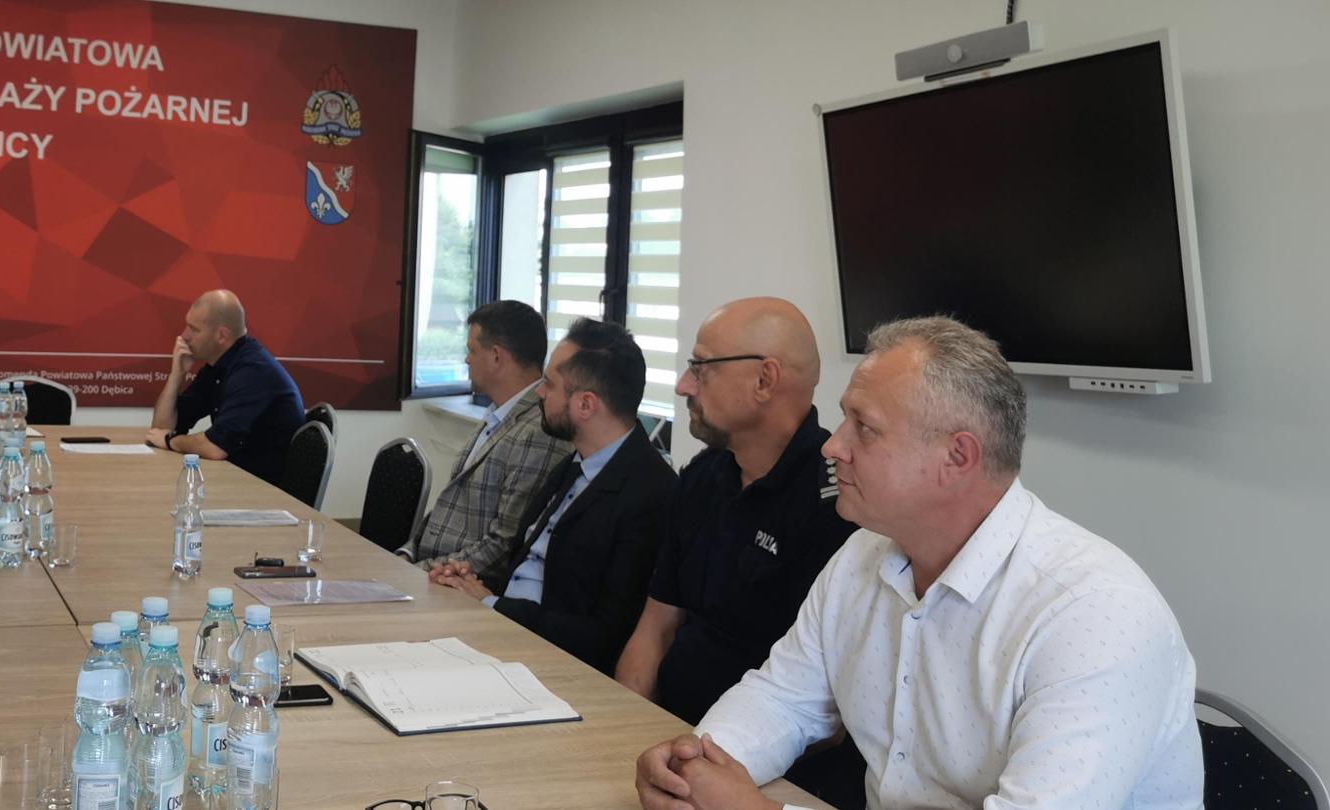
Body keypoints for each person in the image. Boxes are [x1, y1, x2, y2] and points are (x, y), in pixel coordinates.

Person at [635, 317, 1202, 810]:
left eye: (864, 428)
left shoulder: (1095, 614)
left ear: (957, 456)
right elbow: (783, 698)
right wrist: (695, 764)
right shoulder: (863, 554)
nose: (833, 447)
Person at [616, 299, 856, 723]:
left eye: (701, 368)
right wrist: (625, 724)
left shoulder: (838, 505)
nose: (683, 386)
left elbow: (826, 706)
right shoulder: (703, 476)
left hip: (755, 748)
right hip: (664, 728)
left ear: (765, 380)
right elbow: (657, 625)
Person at [430, 318, 675, 675]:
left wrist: (491, 603)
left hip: (549, 665)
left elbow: (604, 635)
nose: (539, 394)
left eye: (549, 384)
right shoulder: (574, 463)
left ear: (585, 405)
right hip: (503, 633)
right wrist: (472, 583)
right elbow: (527, 566)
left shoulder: (649, 493)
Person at [398, 301, 572, 581]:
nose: (467, 360)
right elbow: (447, 509)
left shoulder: (538, 431)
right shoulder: (498, 414)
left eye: (472, 350)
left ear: (496, 356)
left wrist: (417, 574)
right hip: (431, 571)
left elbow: (502, 547)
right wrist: (406, 555)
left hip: (458, 585)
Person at [145, 290, 305, 486]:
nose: (184, 336)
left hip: (263, 491)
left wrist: (171, 441)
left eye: (194, 329)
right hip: (240, 480)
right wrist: (177, 375)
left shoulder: (253, 371)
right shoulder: (218, 367)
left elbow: (214, 447)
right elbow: (161, 429)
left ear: (221, 335)